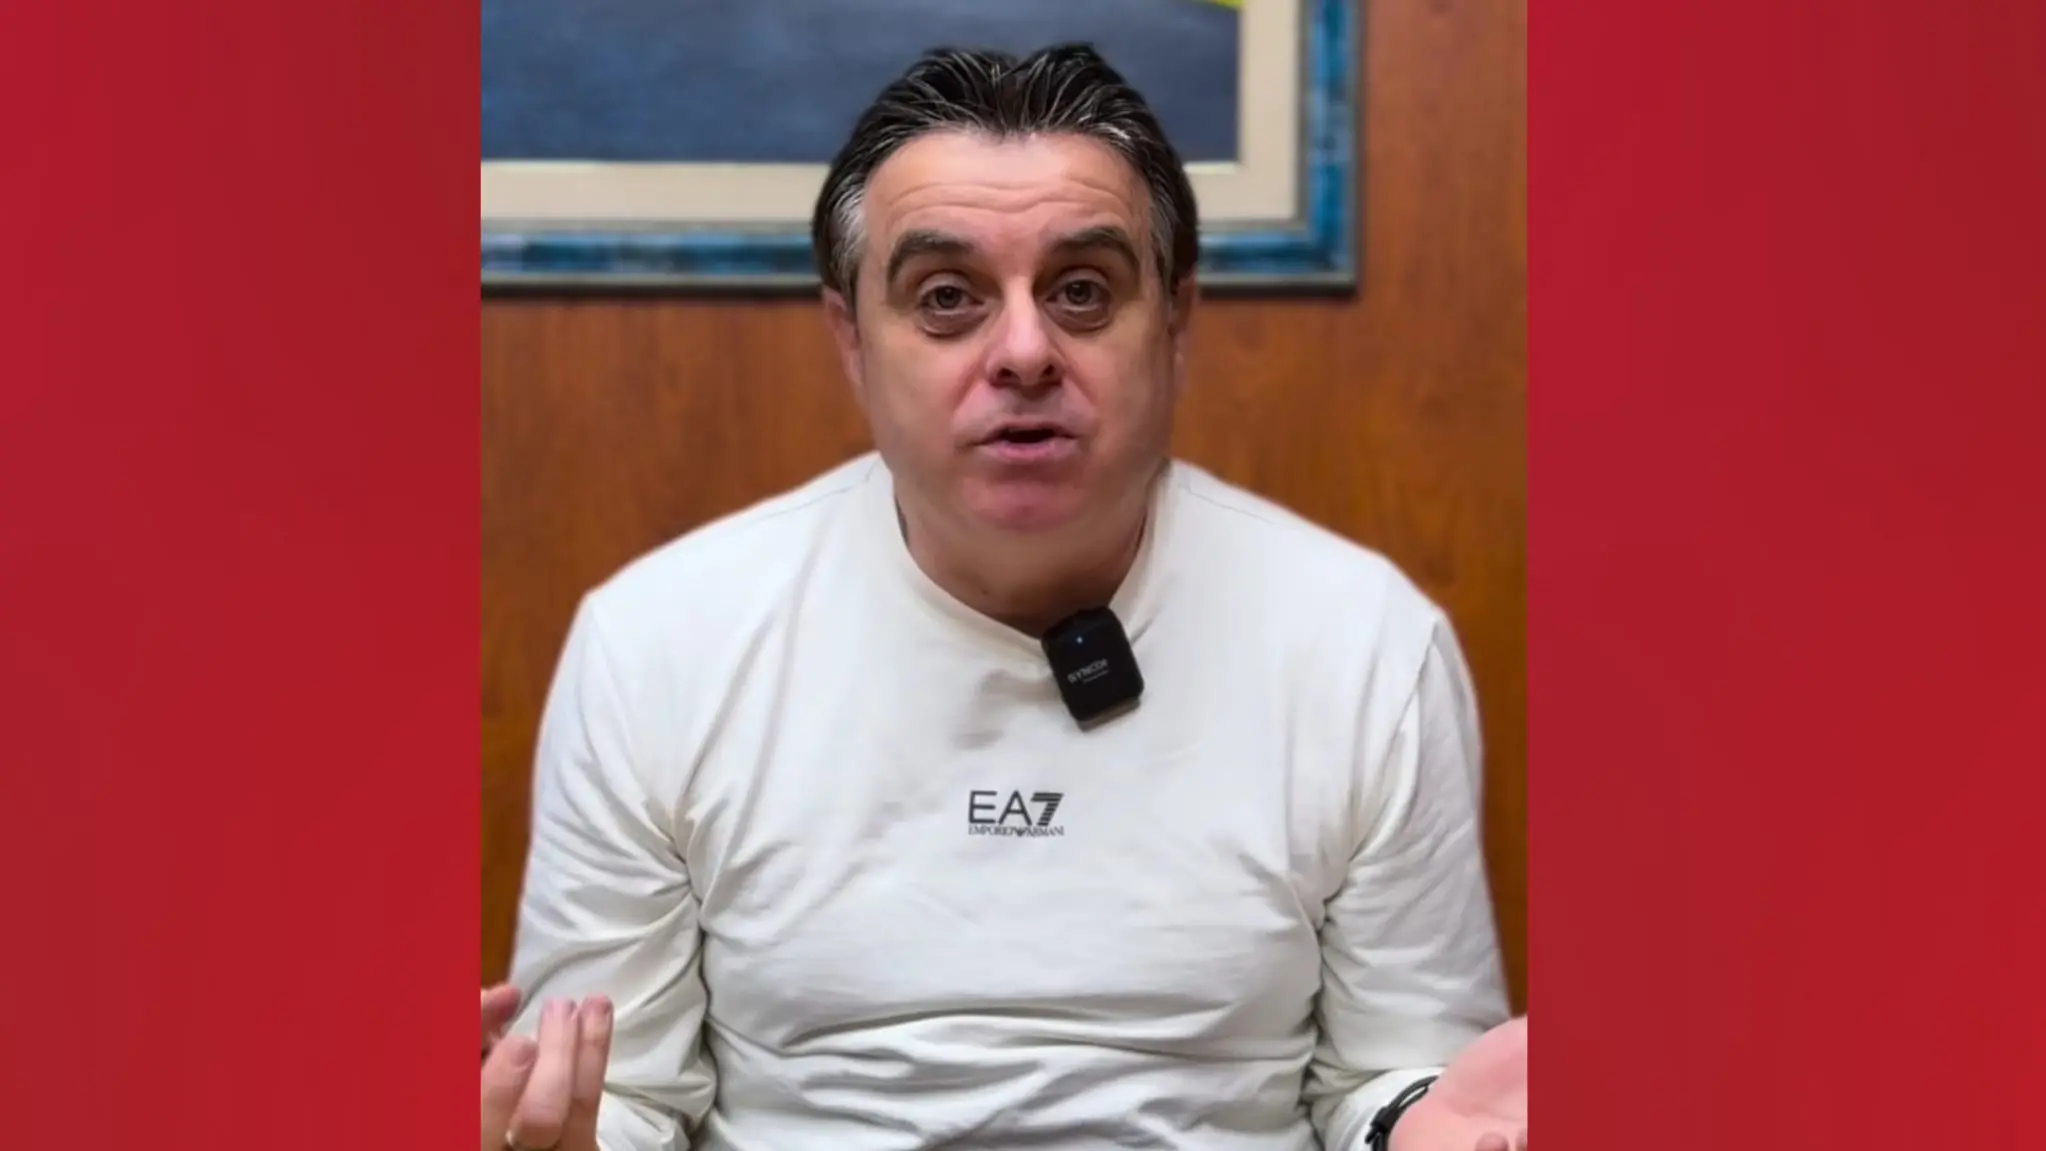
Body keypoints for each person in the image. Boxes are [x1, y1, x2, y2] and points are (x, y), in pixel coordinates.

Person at [483, 43, 1526, 1151]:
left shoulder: (1363, 642)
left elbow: (1392, 1077)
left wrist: (1419, 1124)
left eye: (1083, 292)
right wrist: (547, 1131)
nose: (1025, 351)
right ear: (851, 338)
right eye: (947, 298)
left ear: (1174, 322)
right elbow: (621, 1097)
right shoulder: (655, 643)